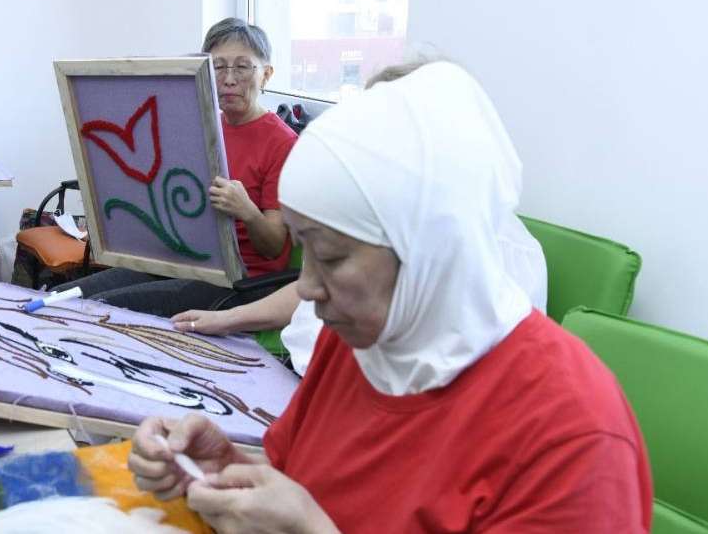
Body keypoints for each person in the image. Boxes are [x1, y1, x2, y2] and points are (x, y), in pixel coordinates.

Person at [128, 62, 652, 533]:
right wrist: (230, 471)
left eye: (330, 258)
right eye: (304, 249)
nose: (307, 288)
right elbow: (308, 478)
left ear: (428, 248)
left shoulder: (572, 437)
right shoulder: (362, 337)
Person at [173, 60, 549, 375]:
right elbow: (314, 292)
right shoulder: (380, 216)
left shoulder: (501, 259)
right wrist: (229, 319)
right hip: (303, 371)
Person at [55, 18, 298, 317]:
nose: (229, 78)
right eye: (218, 67)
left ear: (266, 75)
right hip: (187, 263)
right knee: (61, 298)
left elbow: (275, 248)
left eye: (243, 67)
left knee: (101, 311)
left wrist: (246, 209)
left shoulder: (283, 143)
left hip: (244, 283)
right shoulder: (202, 125)